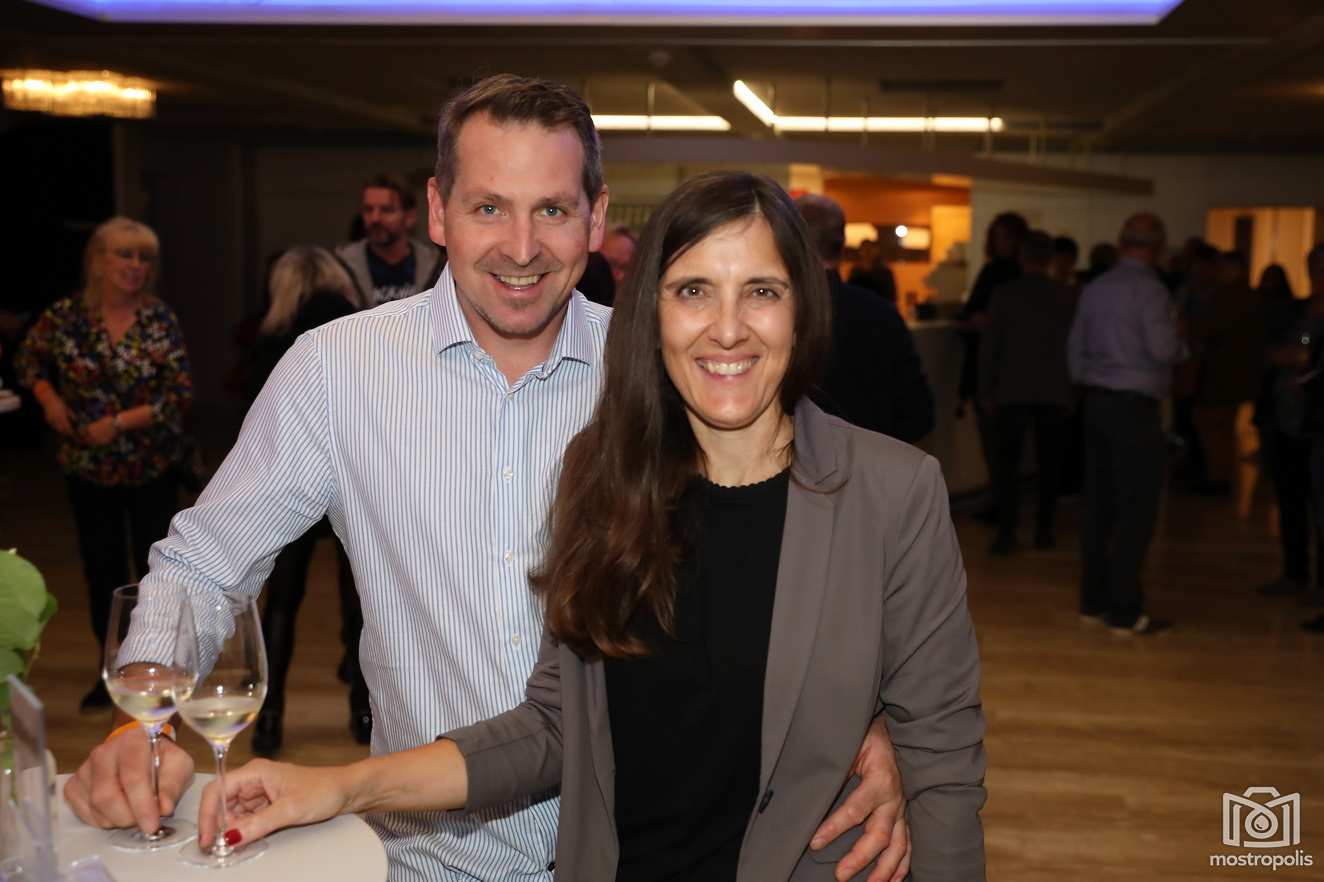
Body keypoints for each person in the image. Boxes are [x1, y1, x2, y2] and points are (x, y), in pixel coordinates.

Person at [64, 75, 909, 882]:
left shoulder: (667, 367)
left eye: (553, 210)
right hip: (426, 853)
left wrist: (862, 719)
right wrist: (144, 720)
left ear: (596, 217)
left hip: (641, 850)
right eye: (488, 208)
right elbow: (206, 565)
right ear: (438, 211)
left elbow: (794, 556)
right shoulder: (337, 372)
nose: (521, 247)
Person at [196, 171, 986, 882]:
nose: (727, 328)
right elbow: (555, 725)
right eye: (693, 290)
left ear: (803, 308)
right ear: (651, 314)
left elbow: (944, 761)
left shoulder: (892, 494)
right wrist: (339, 787)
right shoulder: (604, 473)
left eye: (761, 291)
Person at [15, 217, 192, 711]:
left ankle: (157, 666)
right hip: (87, 468)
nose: (135, 266)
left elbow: (178, 395)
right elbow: (28, 360)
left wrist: (117, 423)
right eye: (124, 254)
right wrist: (49, 398)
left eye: (144, 258)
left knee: (155, 569)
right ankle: (111, 667)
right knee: (102, 570)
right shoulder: (66, 316)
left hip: (150, 466)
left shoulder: (158, 319)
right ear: (98, 260)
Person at [245, 246, 371, 756]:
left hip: (292, 481)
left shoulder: (273, 337)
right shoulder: (357, 330)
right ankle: (363, 710)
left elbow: (257, 419)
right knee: (358, 598)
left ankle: (269, 717)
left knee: (282, 601)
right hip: (351, 473)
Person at [1067, 213, 1184, 636]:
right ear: (1158, 248)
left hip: (1097, 403)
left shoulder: (1095, 288)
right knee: (1136, 508)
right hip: (1135, 409)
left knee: (1099, 506)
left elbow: (1074, 350)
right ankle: (1124, 609)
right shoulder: (1151, 292)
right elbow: (1163, 348)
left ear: (1121, 242)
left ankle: (1092, 601)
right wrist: (1182, 342)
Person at [795, 193, 935, 443]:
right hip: (874, 459)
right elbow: (919, 415)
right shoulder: (882, 314)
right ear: (841, 246)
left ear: (791, 244)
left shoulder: (776, 314)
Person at [980, 230, 1078, 554]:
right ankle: (1044, 530)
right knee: (1050, 465)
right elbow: (1076, 346)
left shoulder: (1005, 294)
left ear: (1022, 257)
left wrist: (986, 388)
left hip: (1012, 389)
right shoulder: (1066, 295)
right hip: (1054, 389)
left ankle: (1007, 531)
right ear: (1050, 258)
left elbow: (992, 345)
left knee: (1007, 466)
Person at [1256, 249, 1320, 599]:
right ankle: (1294, 573)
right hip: (1285, 419)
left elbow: (1307, 356)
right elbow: (1274, 350)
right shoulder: (1296, 310)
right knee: (1290, 500)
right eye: (1314, 269)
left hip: (1316, 423)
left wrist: (1302, 362)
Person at [959, 211, 1028, 519]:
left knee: (999, 445)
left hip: (996, 369)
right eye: (998, 236)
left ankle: (1001, 505)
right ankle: (1002, 503)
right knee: (1003, 446)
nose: (1002, 242)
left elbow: (976, 315)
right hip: (1009, 370)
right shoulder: (1014, 276)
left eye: (1007, 237)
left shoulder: (999, 275)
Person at [1191, 251, 1262, 495]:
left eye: (1223, 268)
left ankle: (1218, 477)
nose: (1218, 272)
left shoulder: (1228, 297)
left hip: (1222, 371)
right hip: (1235, 371)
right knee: (1222, 426)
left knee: (1213, 426)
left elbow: (1209, 328)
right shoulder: (1248, 296)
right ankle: (1221, 476)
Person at [336, 171, 443, 305]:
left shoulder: (435, 265)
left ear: (410, 217)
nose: (375, 218)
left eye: (386, 210)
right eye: (368, 209)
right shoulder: (341, 267)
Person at [848, 238, 899, 302]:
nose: (867, 253)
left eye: (869, 249)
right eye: (864, 249)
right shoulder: (855, 272)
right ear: (860, 252)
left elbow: (891, 296)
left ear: (876, 251)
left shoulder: (884, 273)